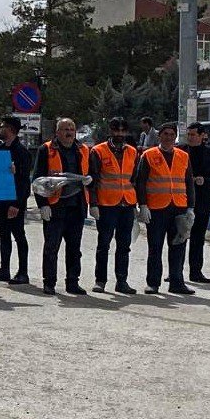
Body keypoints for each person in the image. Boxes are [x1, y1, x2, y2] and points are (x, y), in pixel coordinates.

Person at [136, 122, 196, 295]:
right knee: (155, 247)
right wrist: (143, 205)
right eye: (166, 134)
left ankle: (177, 282)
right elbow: (141, 182)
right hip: (156, 209)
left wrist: (190, 207)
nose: (169, 137)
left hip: (178, 208)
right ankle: (153, 283)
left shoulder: (183, 156)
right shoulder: (148, 155)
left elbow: (189, 182)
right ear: (159, 136)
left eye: (172, 134)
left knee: (178, 246)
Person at [33, 118, 90, 296]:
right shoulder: (46, 149)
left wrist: (90, 180)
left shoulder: (83, 150)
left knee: (74, 248)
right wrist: (43, 205)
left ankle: (72, 282)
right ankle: (49, 282)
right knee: (51, 247)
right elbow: (37, 180)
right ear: (57, 132)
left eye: (72, 129)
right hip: (55, 206)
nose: (69, 132)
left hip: (77, 206)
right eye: (65, 129)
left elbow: (91, 173)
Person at [87, 117, 139, 294]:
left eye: (123, 131)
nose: (120, 134)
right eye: (116, 130)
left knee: (124, 245)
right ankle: (100, 280)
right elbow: (92, 180)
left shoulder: (132, 152)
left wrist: (138, 204)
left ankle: (121, 281)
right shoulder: (98, 151)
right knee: (104, 244)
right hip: (106, 204)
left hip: (127, 204)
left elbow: (135, 179)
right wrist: (92, 204)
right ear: (110, 130)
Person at [0, 116, 32, 286]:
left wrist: (17, 204)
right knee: (4, 235)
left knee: (19, 236)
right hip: (1, 201)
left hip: (14, 203)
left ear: (11, 129)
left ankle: (23, 272)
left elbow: (24, 182)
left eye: (2, 126)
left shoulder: (22, 152)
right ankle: (4, 269)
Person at [179, 122, 210, 284]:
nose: (190, 137)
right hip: (181, 199)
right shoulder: (180, 151)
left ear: (202, 135)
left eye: (193, 135)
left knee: (198, 237)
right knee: (179, 236)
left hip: (202, 199)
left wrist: (205, 181)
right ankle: (176, 272)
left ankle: (196, 272)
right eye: (188, 134)